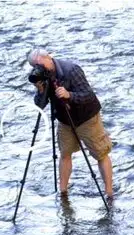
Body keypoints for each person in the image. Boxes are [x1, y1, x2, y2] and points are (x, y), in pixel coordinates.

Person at [27, 48, 114, 201]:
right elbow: (40, 105)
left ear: (48, 58)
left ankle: (109, 193)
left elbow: (88, 95)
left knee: (101, 153)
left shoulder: (71, 70)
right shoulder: (43, 77)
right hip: (65, 120)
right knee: (65, 154)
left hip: (87, 118)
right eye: (34, 66)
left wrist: (69, 95)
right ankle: (63, 192)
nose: (37, 69)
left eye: (39, 65)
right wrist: (41, 90)